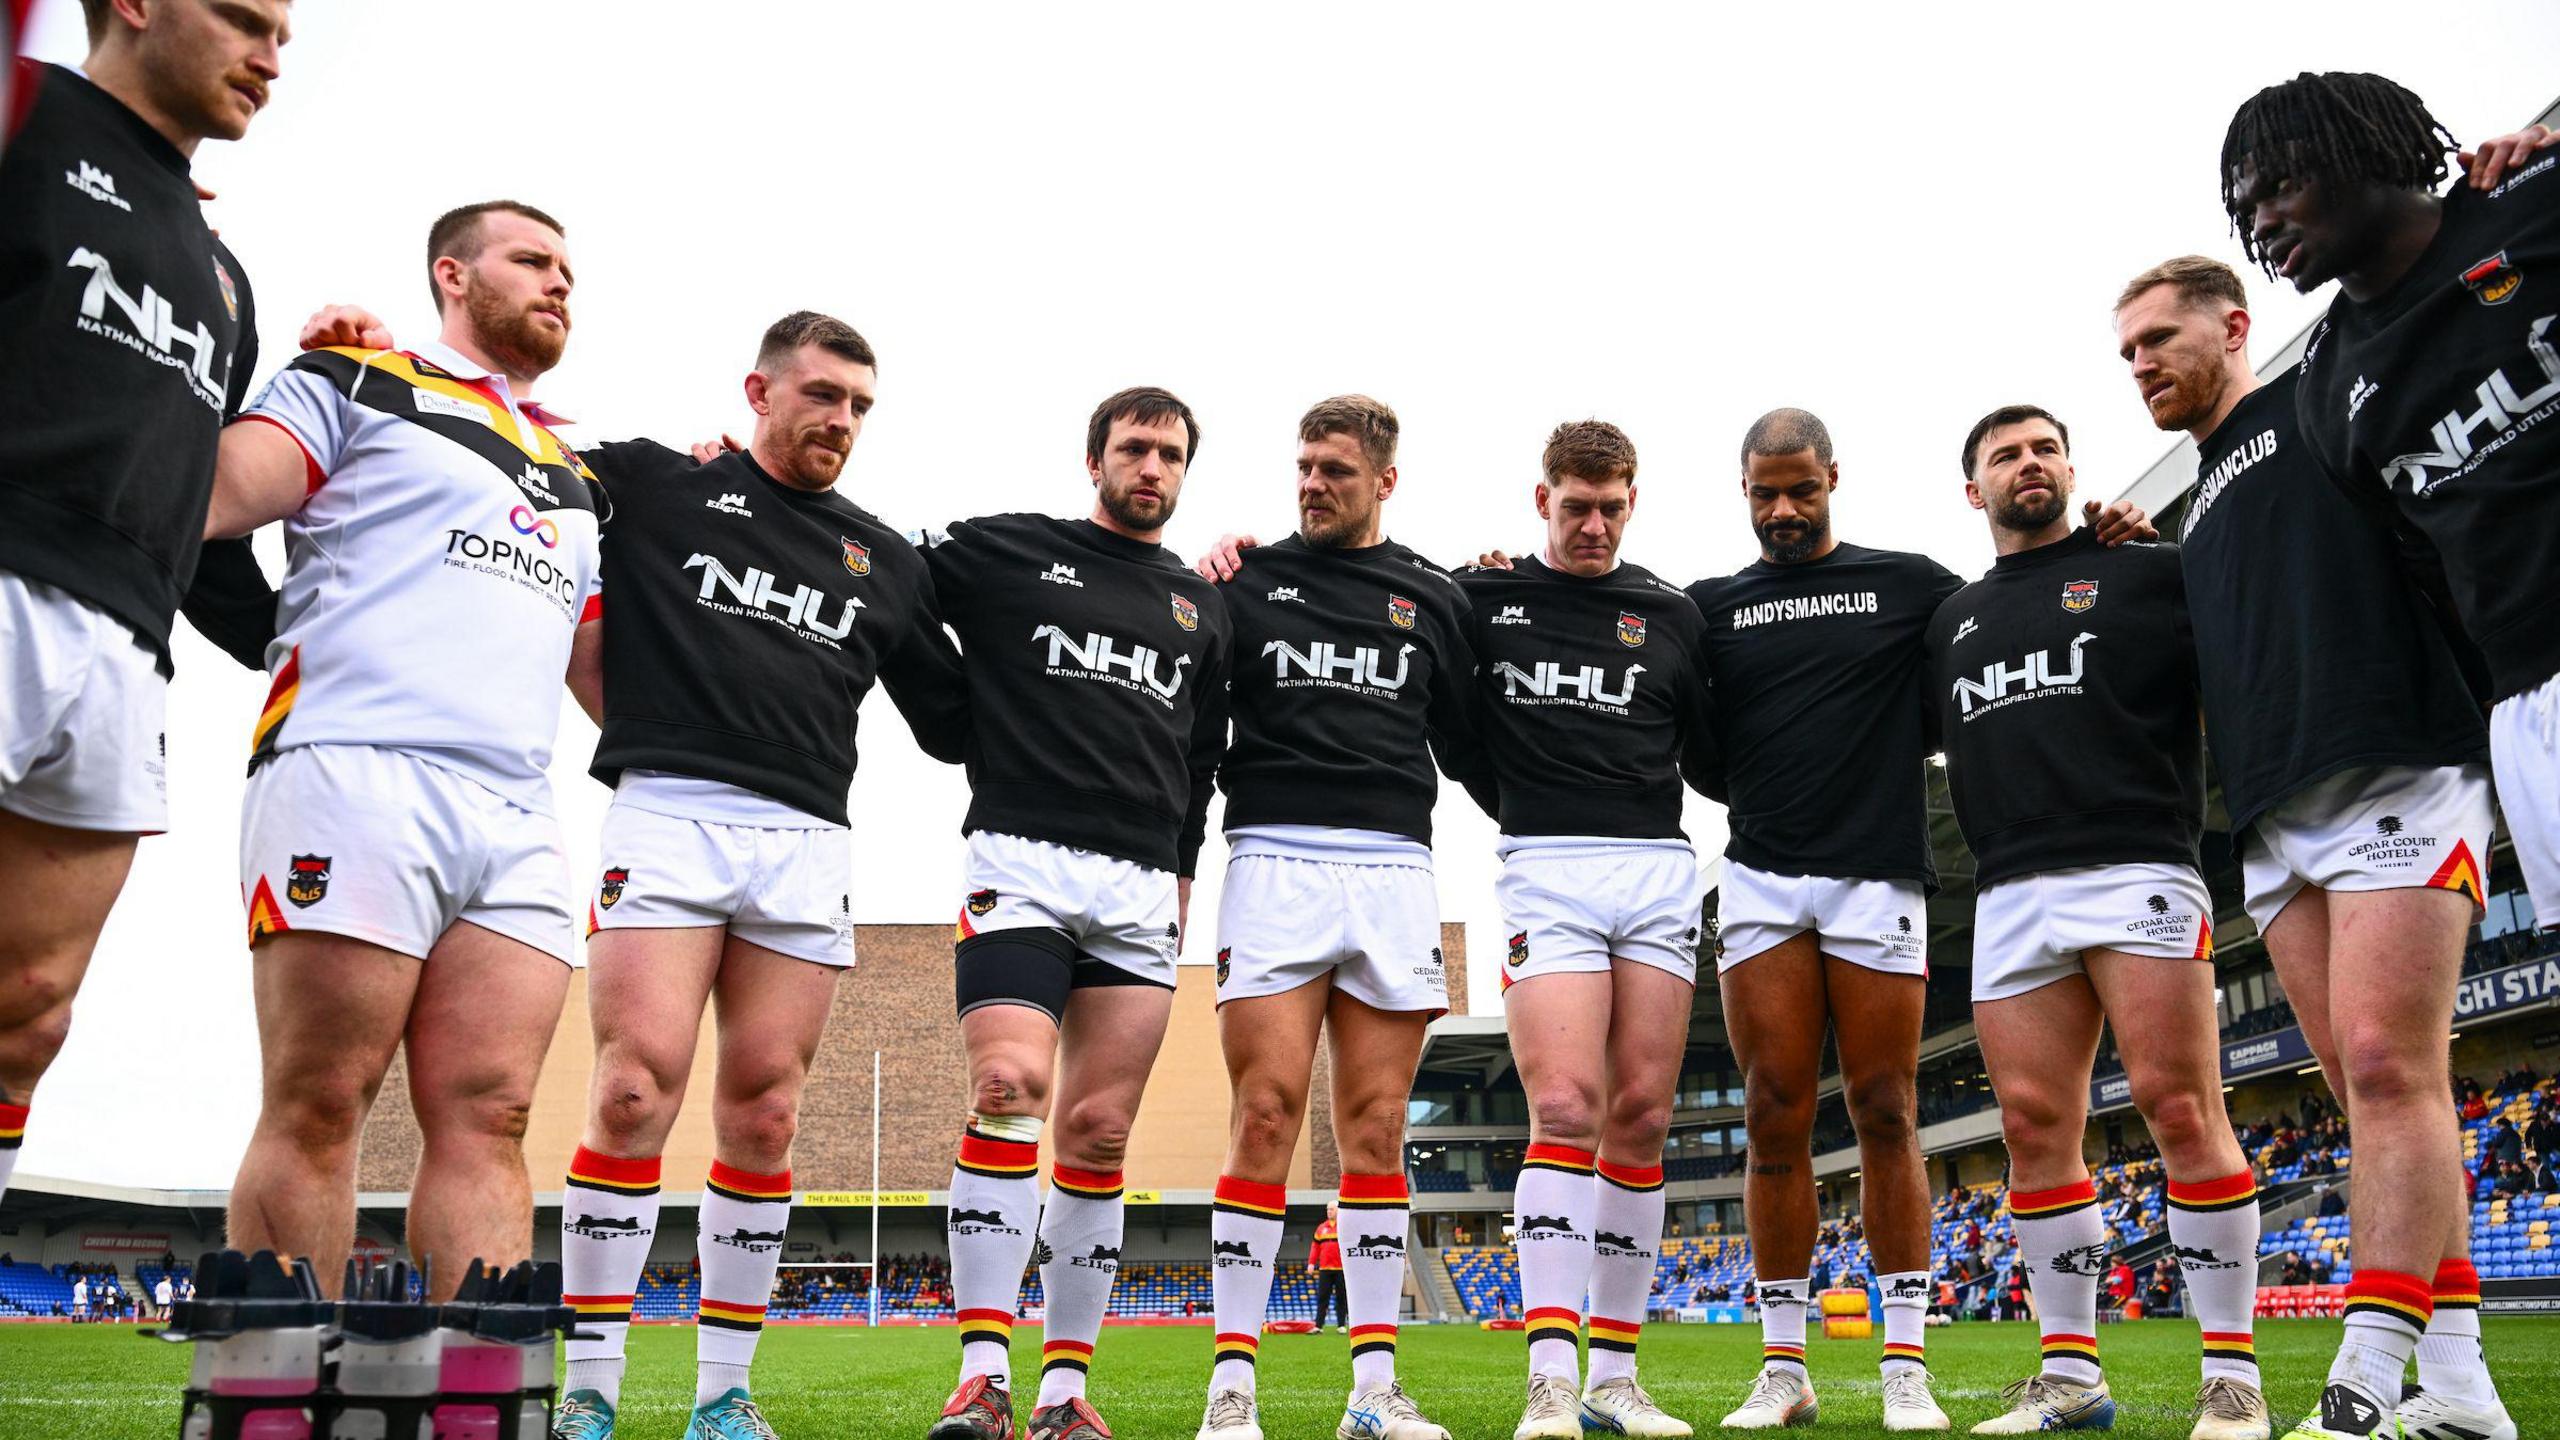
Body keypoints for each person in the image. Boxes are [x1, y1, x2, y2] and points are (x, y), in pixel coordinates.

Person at [2112, 248, 2529, 1440]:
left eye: (2158, 338)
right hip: (2275, 815)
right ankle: (2459, 1397)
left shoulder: (2320, 396)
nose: (2140, 363)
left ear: (2235, 324)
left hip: (2401, 757)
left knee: (2394, 1072)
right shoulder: (2189, 513)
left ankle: (2358, 1382)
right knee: (2365, 1092)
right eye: (2126, 352)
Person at [538, 312, 963, 1439]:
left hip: (808, 842)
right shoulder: (650, 485)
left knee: (766, 1117)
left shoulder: (889, 558)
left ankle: (723, 1395)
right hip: (670, 814)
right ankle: (590, 1385)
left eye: (860, 405)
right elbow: (508, 455)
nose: (841, 420)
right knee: (633, 1091)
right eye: (821, 395)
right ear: (759, 392)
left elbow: (957, 721)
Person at [2221, 74, 2560, 1440]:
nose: (2264, 222)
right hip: (2530, 702)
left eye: (2278, 187)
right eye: (2242, 211)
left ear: (2362, 152)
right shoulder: (2331, 391)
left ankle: (2380, 1373)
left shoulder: (2531, 211)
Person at [206, 200, 602, 1297]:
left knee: (495, 1114)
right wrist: (264, 631)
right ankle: (272, 1393)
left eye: (569, 268)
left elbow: (609, 678)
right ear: (453, 275)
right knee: (324, 1096)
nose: (560, 282)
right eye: (532, 260)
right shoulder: (355, 379)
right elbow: (204, 497)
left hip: (517, 813)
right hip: (353, 769)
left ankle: (476, 1401)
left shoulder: (574, 470)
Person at [0, 0, 291, 1210]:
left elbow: (197, 515)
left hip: (128, 641)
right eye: (243, 20)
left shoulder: (223, 274)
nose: (271, 56)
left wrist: (303, 648)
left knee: (31, 1012)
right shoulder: (21, 122)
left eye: (286, 36)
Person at [1926, 406, 2262, 1437]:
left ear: (2069, 466)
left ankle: (2231, 1377)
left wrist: (2160, 544)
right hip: (2008, 887)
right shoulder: (1951, 620)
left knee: (2176, 1106)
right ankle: (2070, 1378)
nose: (2027, 465)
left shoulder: (2146, 571)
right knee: (2033, 1130)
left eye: (2042, 449)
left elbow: (2241, 668)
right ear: (1971, 490)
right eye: (2002, 456)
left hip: (2137, 864)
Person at [919, 388, 1229, 1440]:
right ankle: (979, 1377)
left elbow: (1204, 756)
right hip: (1021, 859)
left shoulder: (1201, 605)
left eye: (1170, 454)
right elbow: (885, 587)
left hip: (1143, 886)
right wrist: (950, 718)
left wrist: (1185, 876)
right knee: (1008, 1085)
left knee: (1096, 1134)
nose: (1151, 467)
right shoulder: (1008, 553)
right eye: (1134, 448)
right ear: (1094, 457)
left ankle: (1062, 1395)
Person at [1184, 395, 1486, 1440]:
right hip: (1271, 857)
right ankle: (1232, 1388)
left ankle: (1372, 1393)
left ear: (1384, 482)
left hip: (1395, 866)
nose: (1312, 485)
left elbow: (1473, 743)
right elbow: (1186, 723)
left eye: (1335, 472)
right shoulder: (1244, 580)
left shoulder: (1433, 597)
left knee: (1376, 1128)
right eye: (1303, 467)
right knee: (1264, 1114)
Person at [1458, 421, 1719, 1440]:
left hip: (1655, 869)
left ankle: (1616, 1378)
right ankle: (1552, 1380)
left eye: (1612, 507)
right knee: (1565, 1104)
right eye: (1576, 506)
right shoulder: (1479, 598)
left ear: (1633, 502)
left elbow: (1706, 750)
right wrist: (1524, 800)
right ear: (1541, 501)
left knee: (1644, 1117)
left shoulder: (1670, 613)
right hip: (1546, 868)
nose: (1594, 525)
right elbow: (1453, 735)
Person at [1310, 1202, 1347, 1332]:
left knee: (1341, 1298)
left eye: (1331, 1209)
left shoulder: (1344, 1227)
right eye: (1327, 1209)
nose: (1329, 1211)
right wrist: (1311, 1263)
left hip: (1341, 1269)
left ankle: (1341, 1325)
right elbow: (1315, 1247)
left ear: (1338, 1210)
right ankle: (1318, 1326)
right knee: (1322, 1298)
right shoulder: (1321, 1228)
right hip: (1325, 1269)